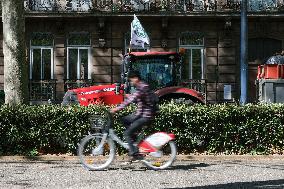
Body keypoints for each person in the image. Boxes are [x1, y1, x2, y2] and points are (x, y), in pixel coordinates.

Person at [110, 70, 156, 160]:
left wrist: (117, 108)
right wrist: (127, 96)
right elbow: (135, 98)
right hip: (140, 114)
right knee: (123, 119)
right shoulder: (140, 86)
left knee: (126, 133)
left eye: (131, 80)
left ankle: (134, 153)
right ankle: (134, 139)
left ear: (136, 78)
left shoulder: (142, 87)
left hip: (145, 116)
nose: (131, 82)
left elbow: (132, 99)